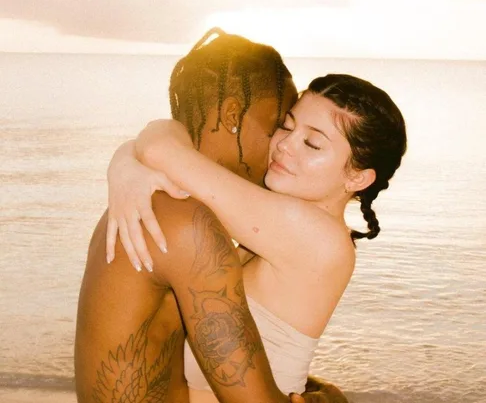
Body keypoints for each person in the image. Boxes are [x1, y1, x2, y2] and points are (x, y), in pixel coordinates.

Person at [106, 71, 407, 402]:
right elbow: (159, 151)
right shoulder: (283, 222)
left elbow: (161, 146)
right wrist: (127, 163)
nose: (284, 145)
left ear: (357, 177)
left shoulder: (315, 236)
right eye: (287, 126)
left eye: (312, 143)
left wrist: (124, 166)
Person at [75, 28, 338, 403]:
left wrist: (127, 157)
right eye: (278, 124)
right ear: (234, 114)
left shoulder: (157, 196)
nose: (281, 145)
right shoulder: (187, 224)